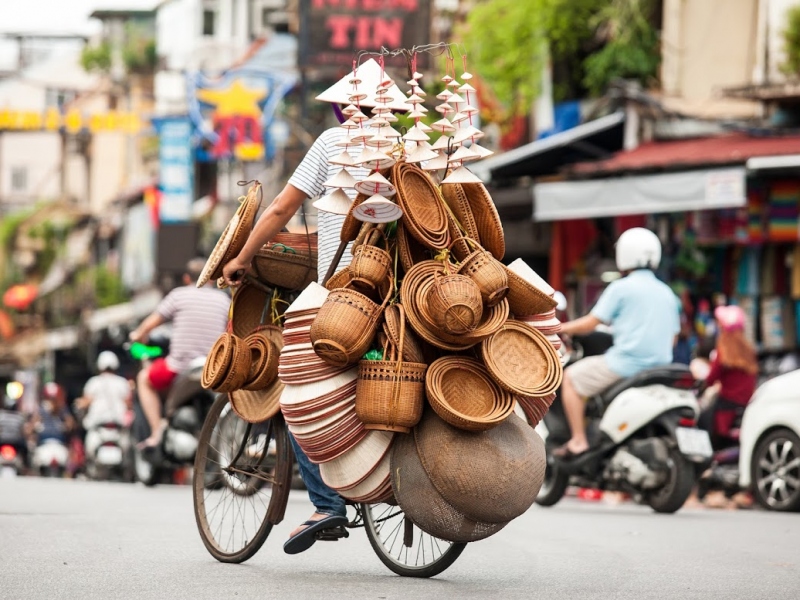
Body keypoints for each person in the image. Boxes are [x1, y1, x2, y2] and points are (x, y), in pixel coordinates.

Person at [220, 59, 407, 554]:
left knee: (294, 383)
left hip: (341, 296)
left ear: (347, 107)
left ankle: (326, 504)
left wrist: (241, 257)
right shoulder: (408, 149)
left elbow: (283, 207)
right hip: (404, 292)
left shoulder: (332, 143)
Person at [557, 228, 680, 458]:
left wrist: (560, 328)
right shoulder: (667, 293)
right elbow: (673, 338)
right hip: (661, 368)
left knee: (570, 378)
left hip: (626, 365)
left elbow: (590, 324)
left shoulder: (621, 287)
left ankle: (578, 440)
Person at [129, 258, 230, 448]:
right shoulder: (224, 299)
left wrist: (138, 335)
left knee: (144, 378)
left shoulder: (178, 295)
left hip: (180, 369)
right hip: (213, 369)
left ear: (186, 278)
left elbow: (150, 324)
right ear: (211, 278)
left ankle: (157, 431)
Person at [698, 305, 757, 448]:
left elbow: (710, 379)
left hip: (726, 408)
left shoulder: (723, 351)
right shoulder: (749, 350)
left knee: (702, 418)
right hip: (746, 404)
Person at [76, 351, 132, 457]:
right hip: (118, 427)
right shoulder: (123, 383)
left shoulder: (93, 382)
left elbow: (84, 402)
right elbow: (129, 404)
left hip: (98, 427)